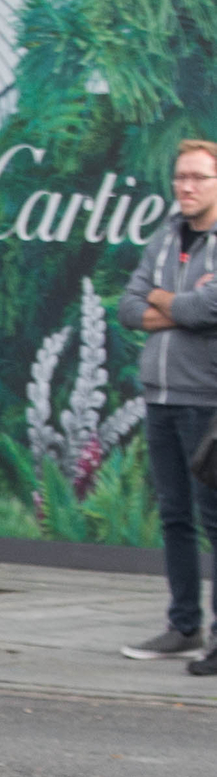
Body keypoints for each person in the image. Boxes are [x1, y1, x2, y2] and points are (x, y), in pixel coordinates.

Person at [117, 138, 217, 673]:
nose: (187, 186)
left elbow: (211, 308)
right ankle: (183, 625)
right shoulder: (163, 239)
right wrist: (174, 305)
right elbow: (128, 306)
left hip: (208, 402)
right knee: (175, 518)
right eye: (181, 177)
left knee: (215, 521)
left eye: (199, 177)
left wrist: (164, 299)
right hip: (160, 399)